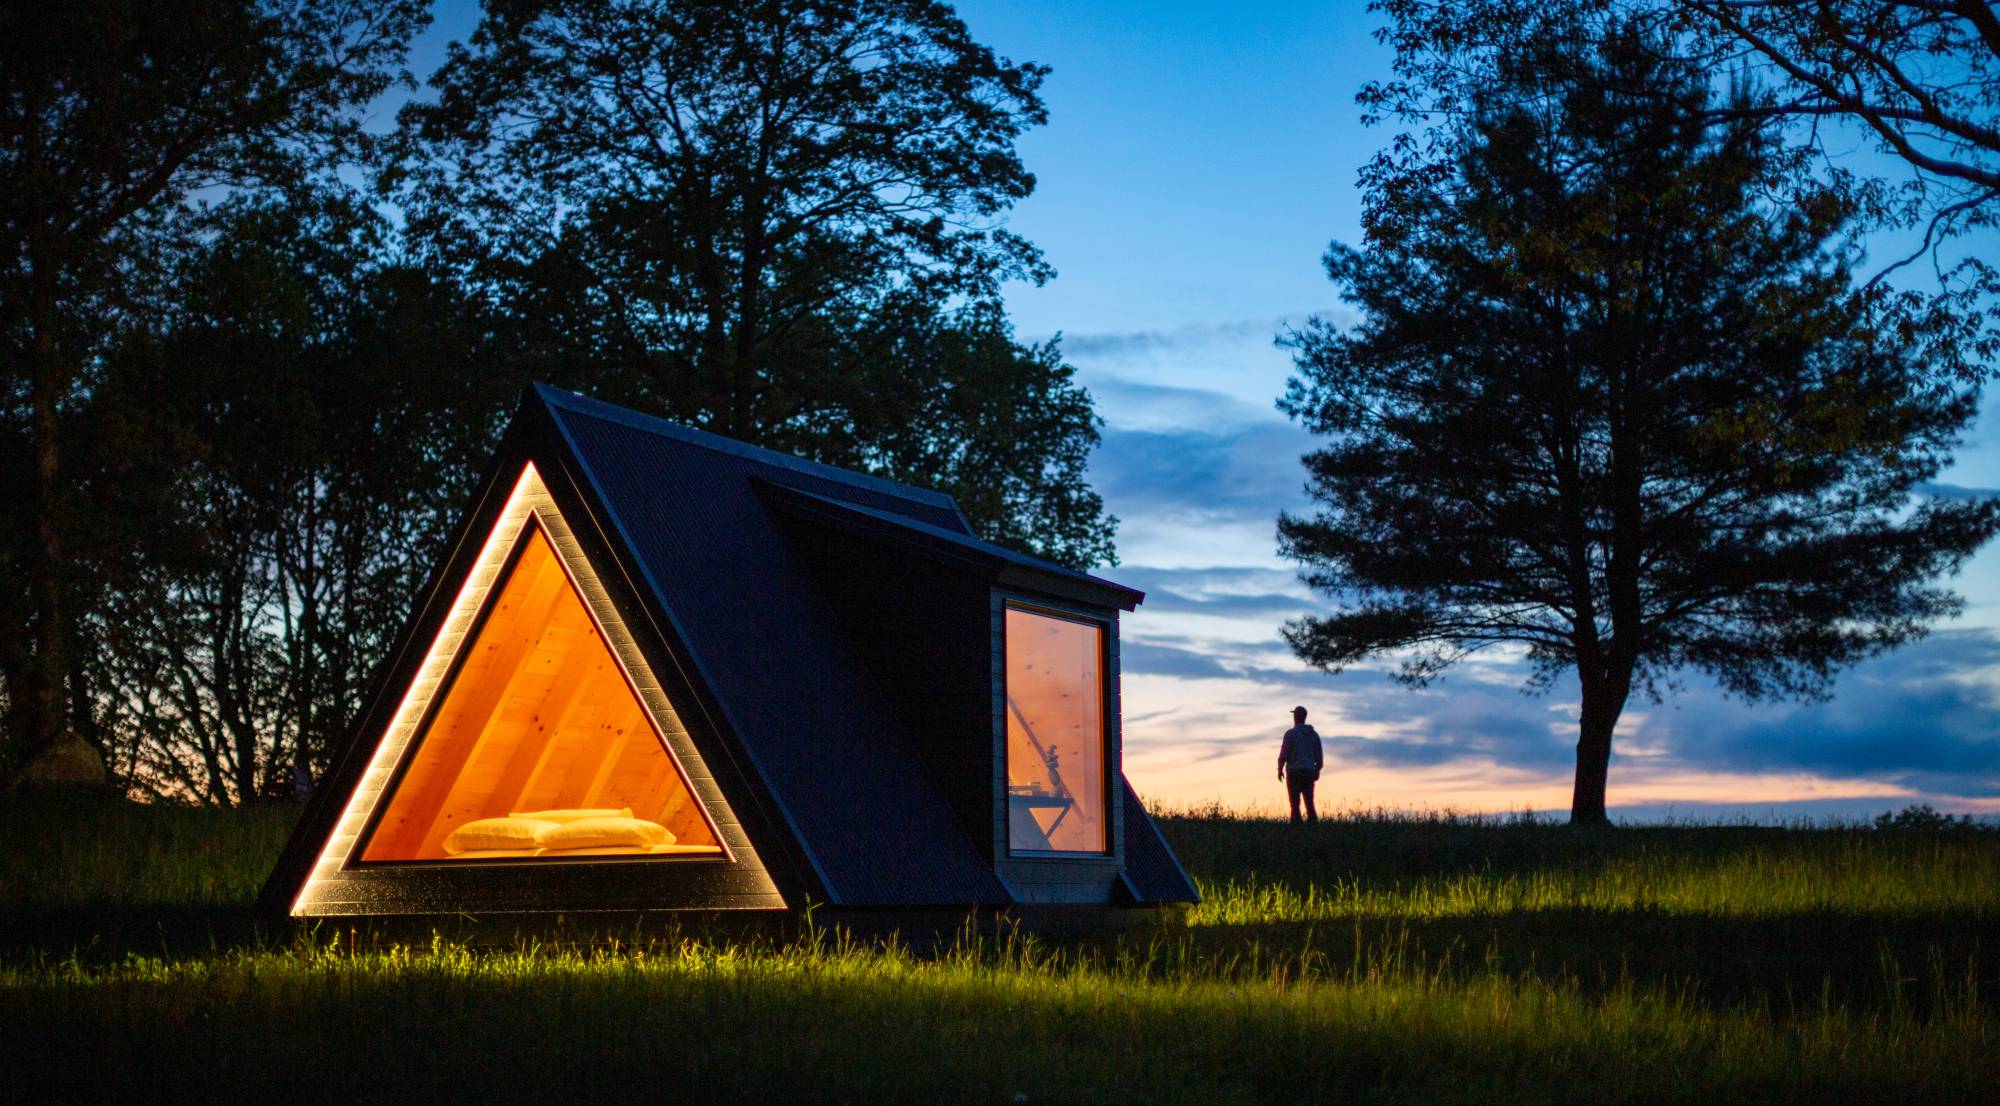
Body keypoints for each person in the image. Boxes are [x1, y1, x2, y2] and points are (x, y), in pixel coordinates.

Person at [1277, 705, 1323, 824]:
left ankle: (1296, 827)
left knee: (1294, 804)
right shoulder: (1314, 735)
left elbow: (1284, 754)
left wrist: (1280, 769)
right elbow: (1319, 756)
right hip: (1309, 771)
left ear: (1295, 717)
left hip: (1294, 772)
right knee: (1309, 802)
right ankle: (1313, 827)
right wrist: (1317, 770)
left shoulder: (1290, 734)